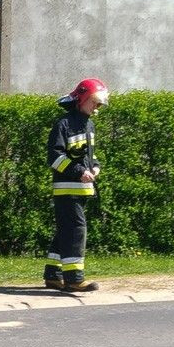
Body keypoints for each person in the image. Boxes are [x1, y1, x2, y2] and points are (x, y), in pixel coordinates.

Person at [44, 78, 108, 292]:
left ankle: (53, 275)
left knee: (65, 230)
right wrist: (79, 171)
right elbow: (54, 157)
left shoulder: (88, 124)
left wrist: (95, 167)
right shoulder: (64, 124)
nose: (97, 107)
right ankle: (74, 279)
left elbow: (89, 156)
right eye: (94, 102)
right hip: (66, 189)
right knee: (76, 230)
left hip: (82, 190)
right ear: (81, 99)